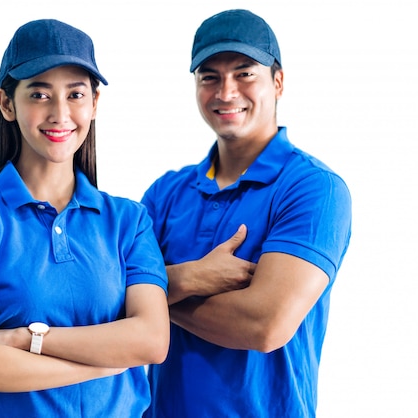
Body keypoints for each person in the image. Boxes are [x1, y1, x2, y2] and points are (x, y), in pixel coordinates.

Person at [0, 19, 170, 417]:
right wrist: (104, 360)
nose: (60, 113)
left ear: (94, 104)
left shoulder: (128, 220)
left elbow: (152, 341)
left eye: (75, 94)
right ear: (6, 103)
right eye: (39, 94)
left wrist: (24, 340)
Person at [141, 9, 352, 418]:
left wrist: (154, 294)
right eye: (210, 77)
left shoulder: (313, 189)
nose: (226, 92)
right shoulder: (165, 193)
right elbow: (106, 299)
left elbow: (265, 325)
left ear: (278, 81)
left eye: (244, 73)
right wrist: (188, 277)